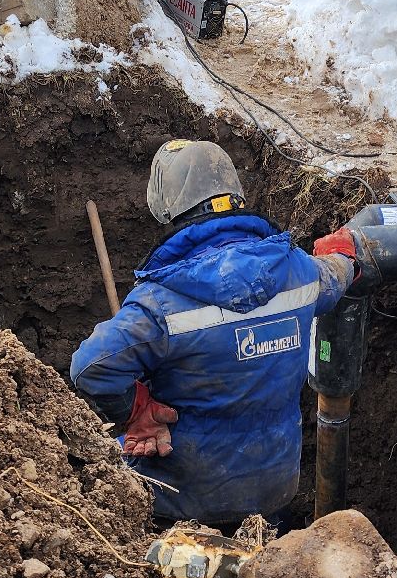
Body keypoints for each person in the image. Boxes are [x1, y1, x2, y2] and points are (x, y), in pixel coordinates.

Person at [70, 140, 356, 529]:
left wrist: (137, 411)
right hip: (272, 492)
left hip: (180, 502)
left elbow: (90, 367)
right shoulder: (299, 272)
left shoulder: (161, 302)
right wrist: (343, 254)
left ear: (168, 208)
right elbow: (336, 275)